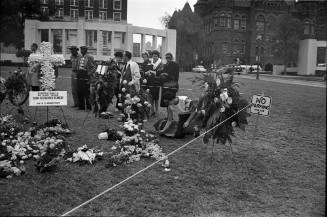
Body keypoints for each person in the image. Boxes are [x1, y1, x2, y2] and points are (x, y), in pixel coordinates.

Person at [77, 46, 96, 110]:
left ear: (86, 50)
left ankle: (88, 106)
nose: (82, 51)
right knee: (79, 90)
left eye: (83, 50)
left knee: (86, 91)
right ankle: (81, 106)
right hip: (79, 73)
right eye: (81, 50)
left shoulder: (90, 57)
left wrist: (89, 73)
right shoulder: (79, 57)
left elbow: (93, 67)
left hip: (86, 74)